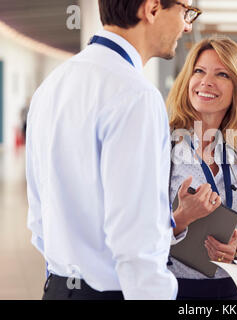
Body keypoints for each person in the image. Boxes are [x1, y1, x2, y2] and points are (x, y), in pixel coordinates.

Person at [26, 0, 201, 300]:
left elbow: (39, 220)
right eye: (186, 11)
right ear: (153, 8)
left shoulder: (51, 85)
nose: (187, 26)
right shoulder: (137, 96)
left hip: (57, 289)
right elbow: (137, 244)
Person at [166, 36, 237, 300]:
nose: (206, 82)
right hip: (172, 290)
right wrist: (180, 219)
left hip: (230, 293)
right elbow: (133, 238)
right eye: (199, 71)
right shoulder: (162, 148)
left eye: (221, 74)